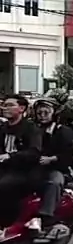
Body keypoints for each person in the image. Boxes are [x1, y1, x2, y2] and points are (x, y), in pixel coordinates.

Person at [31, 97, 73, 236]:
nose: (42, 115)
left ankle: (47, 219)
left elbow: (68, 155)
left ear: (54, 113)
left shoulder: (63, 131)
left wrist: (51, 159)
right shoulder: (31, 129)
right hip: (32, 168)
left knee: (54, 183)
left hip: (55, 169)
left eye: (46, 112)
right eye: (39, 113)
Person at [0, 94, 43, 226]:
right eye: (4, 105)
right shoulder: (3, 128)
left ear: (22, 108)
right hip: (5, 169)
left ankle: (7, 224)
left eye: (10, 105)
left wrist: (11, 156)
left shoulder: (31, 129)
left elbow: (34, 152)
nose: (5, 108)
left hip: (25, 171)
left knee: (4, 185)